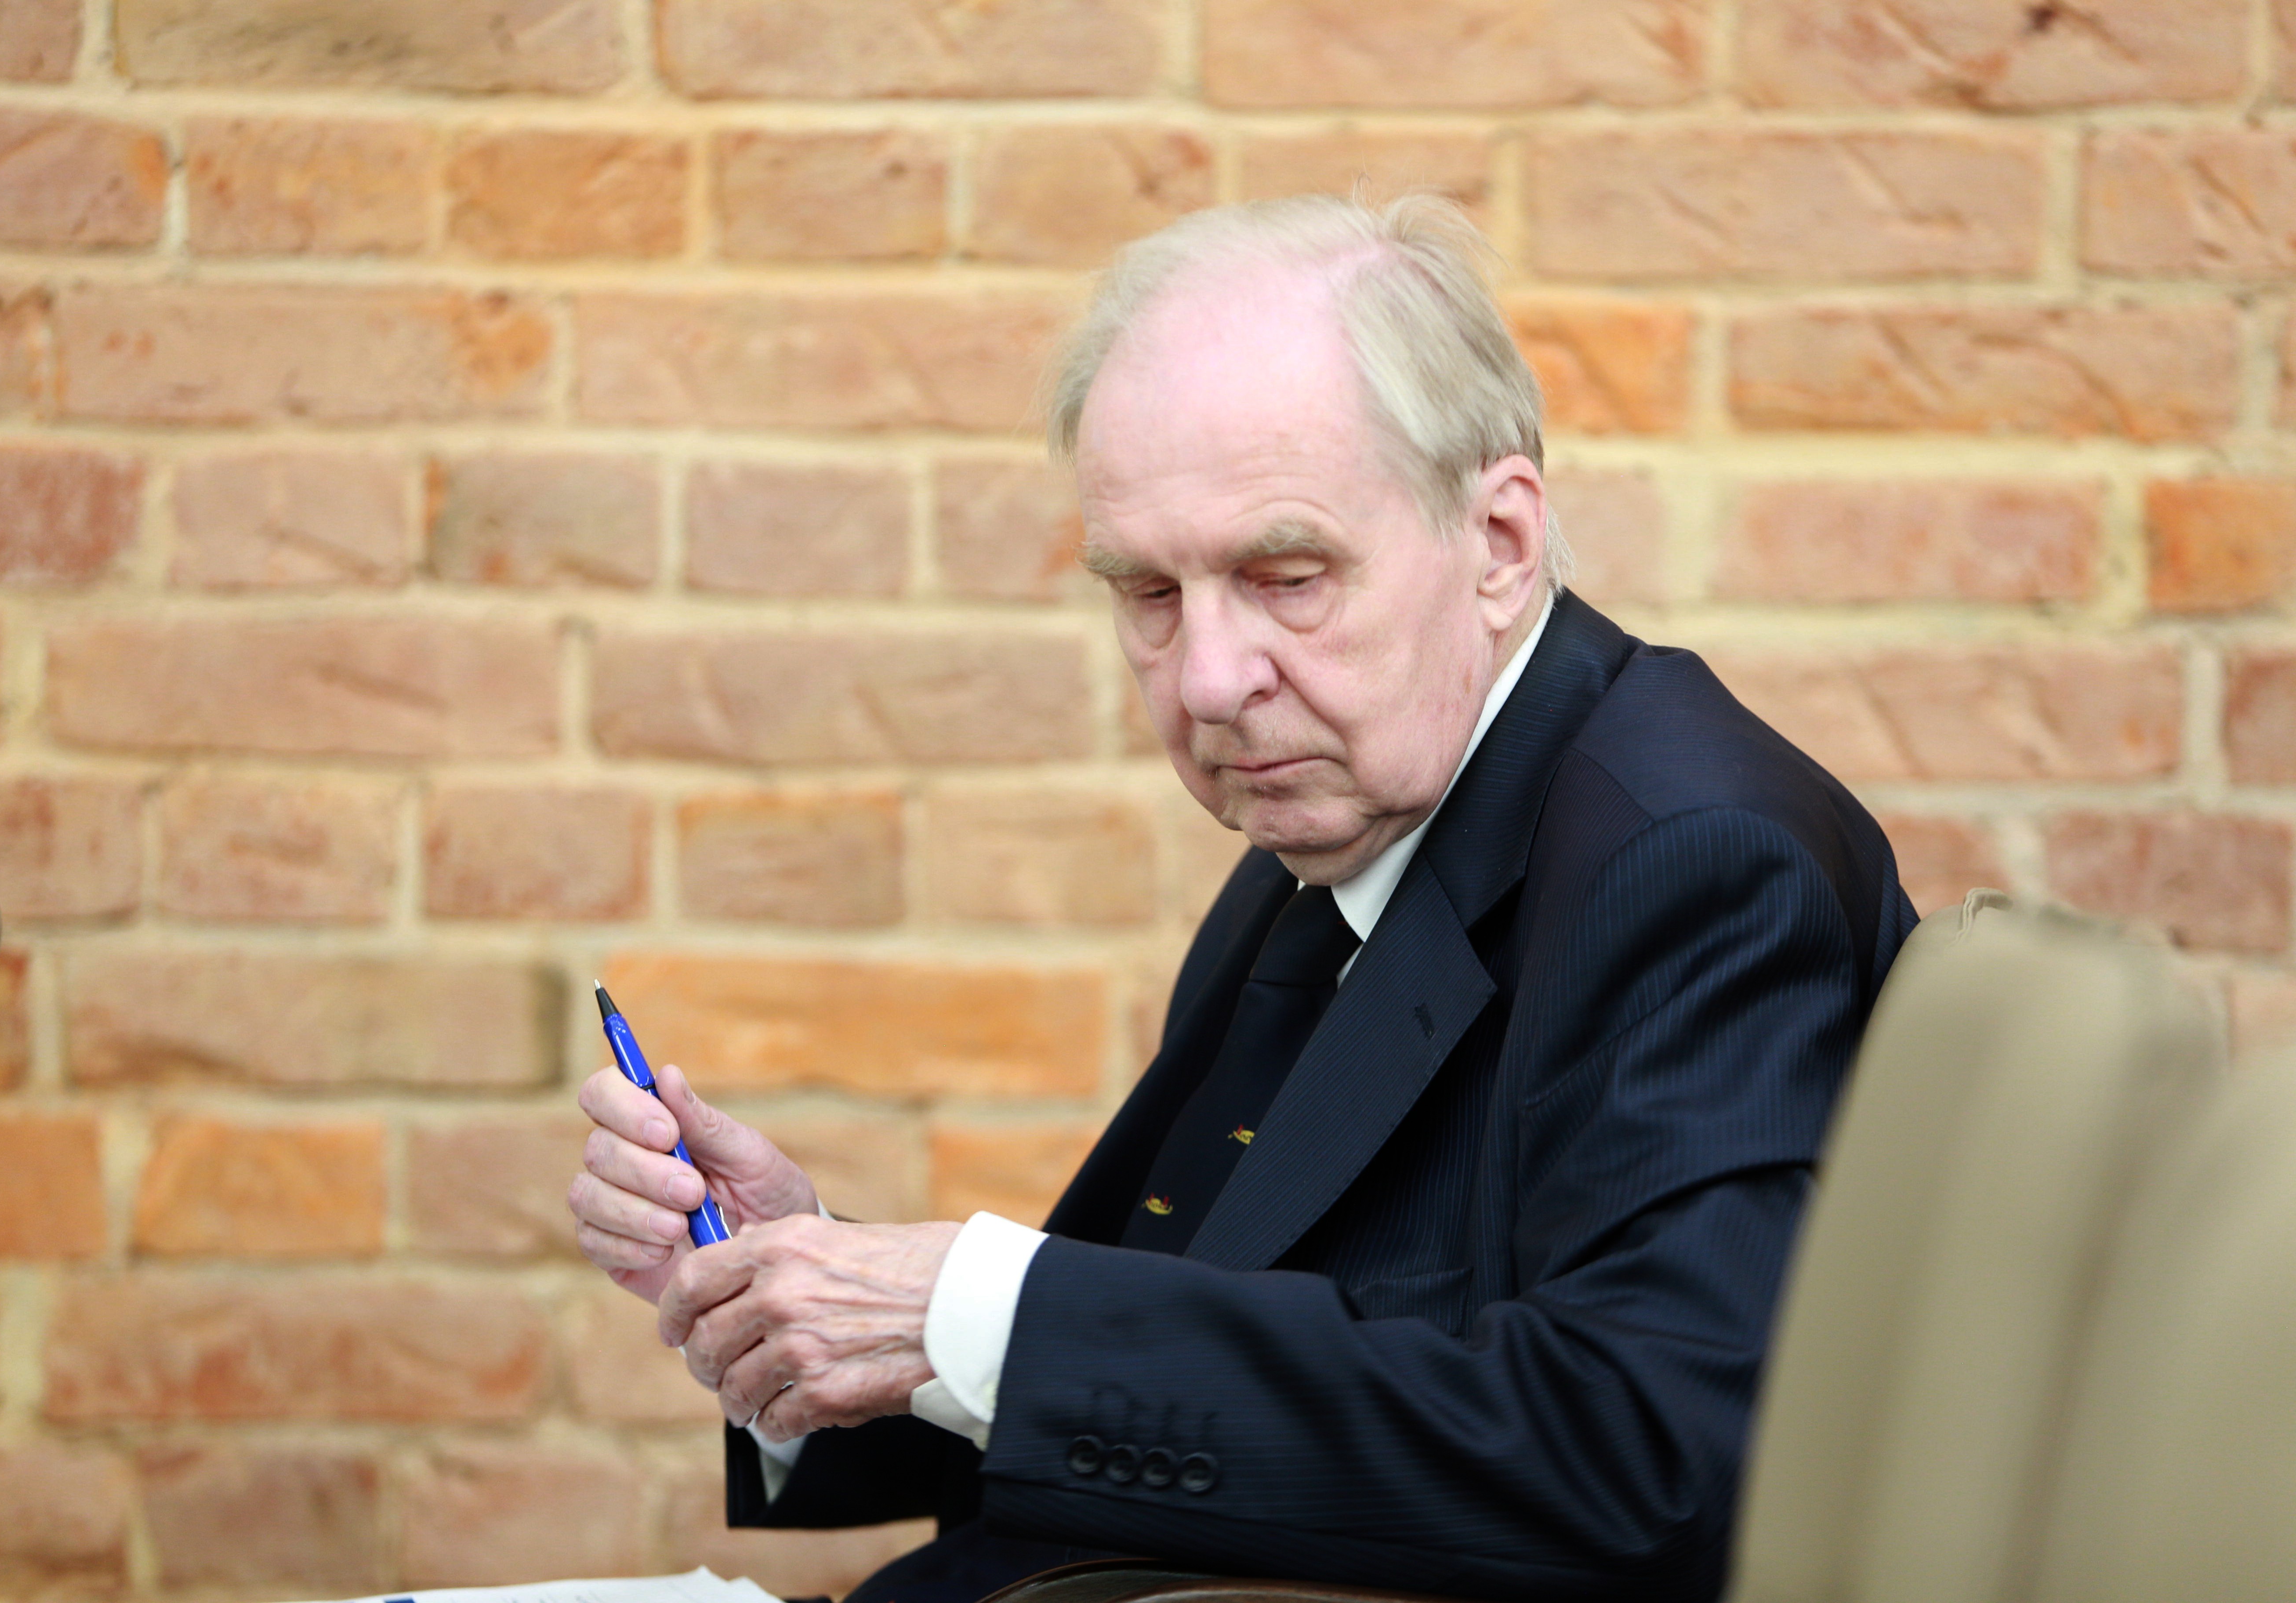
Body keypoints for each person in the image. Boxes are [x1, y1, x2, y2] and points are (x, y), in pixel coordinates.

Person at [568, 195, 1915, 1603]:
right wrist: (810, 1299)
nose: (1209, 682)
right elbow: (1185, 1397)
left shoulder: (1694, 859)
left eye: (1286, 578)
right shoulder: (1338, 830)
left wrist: (973, 1317)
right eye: (1149, 594)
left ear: (1501, 545)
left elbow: (1649, 1457)